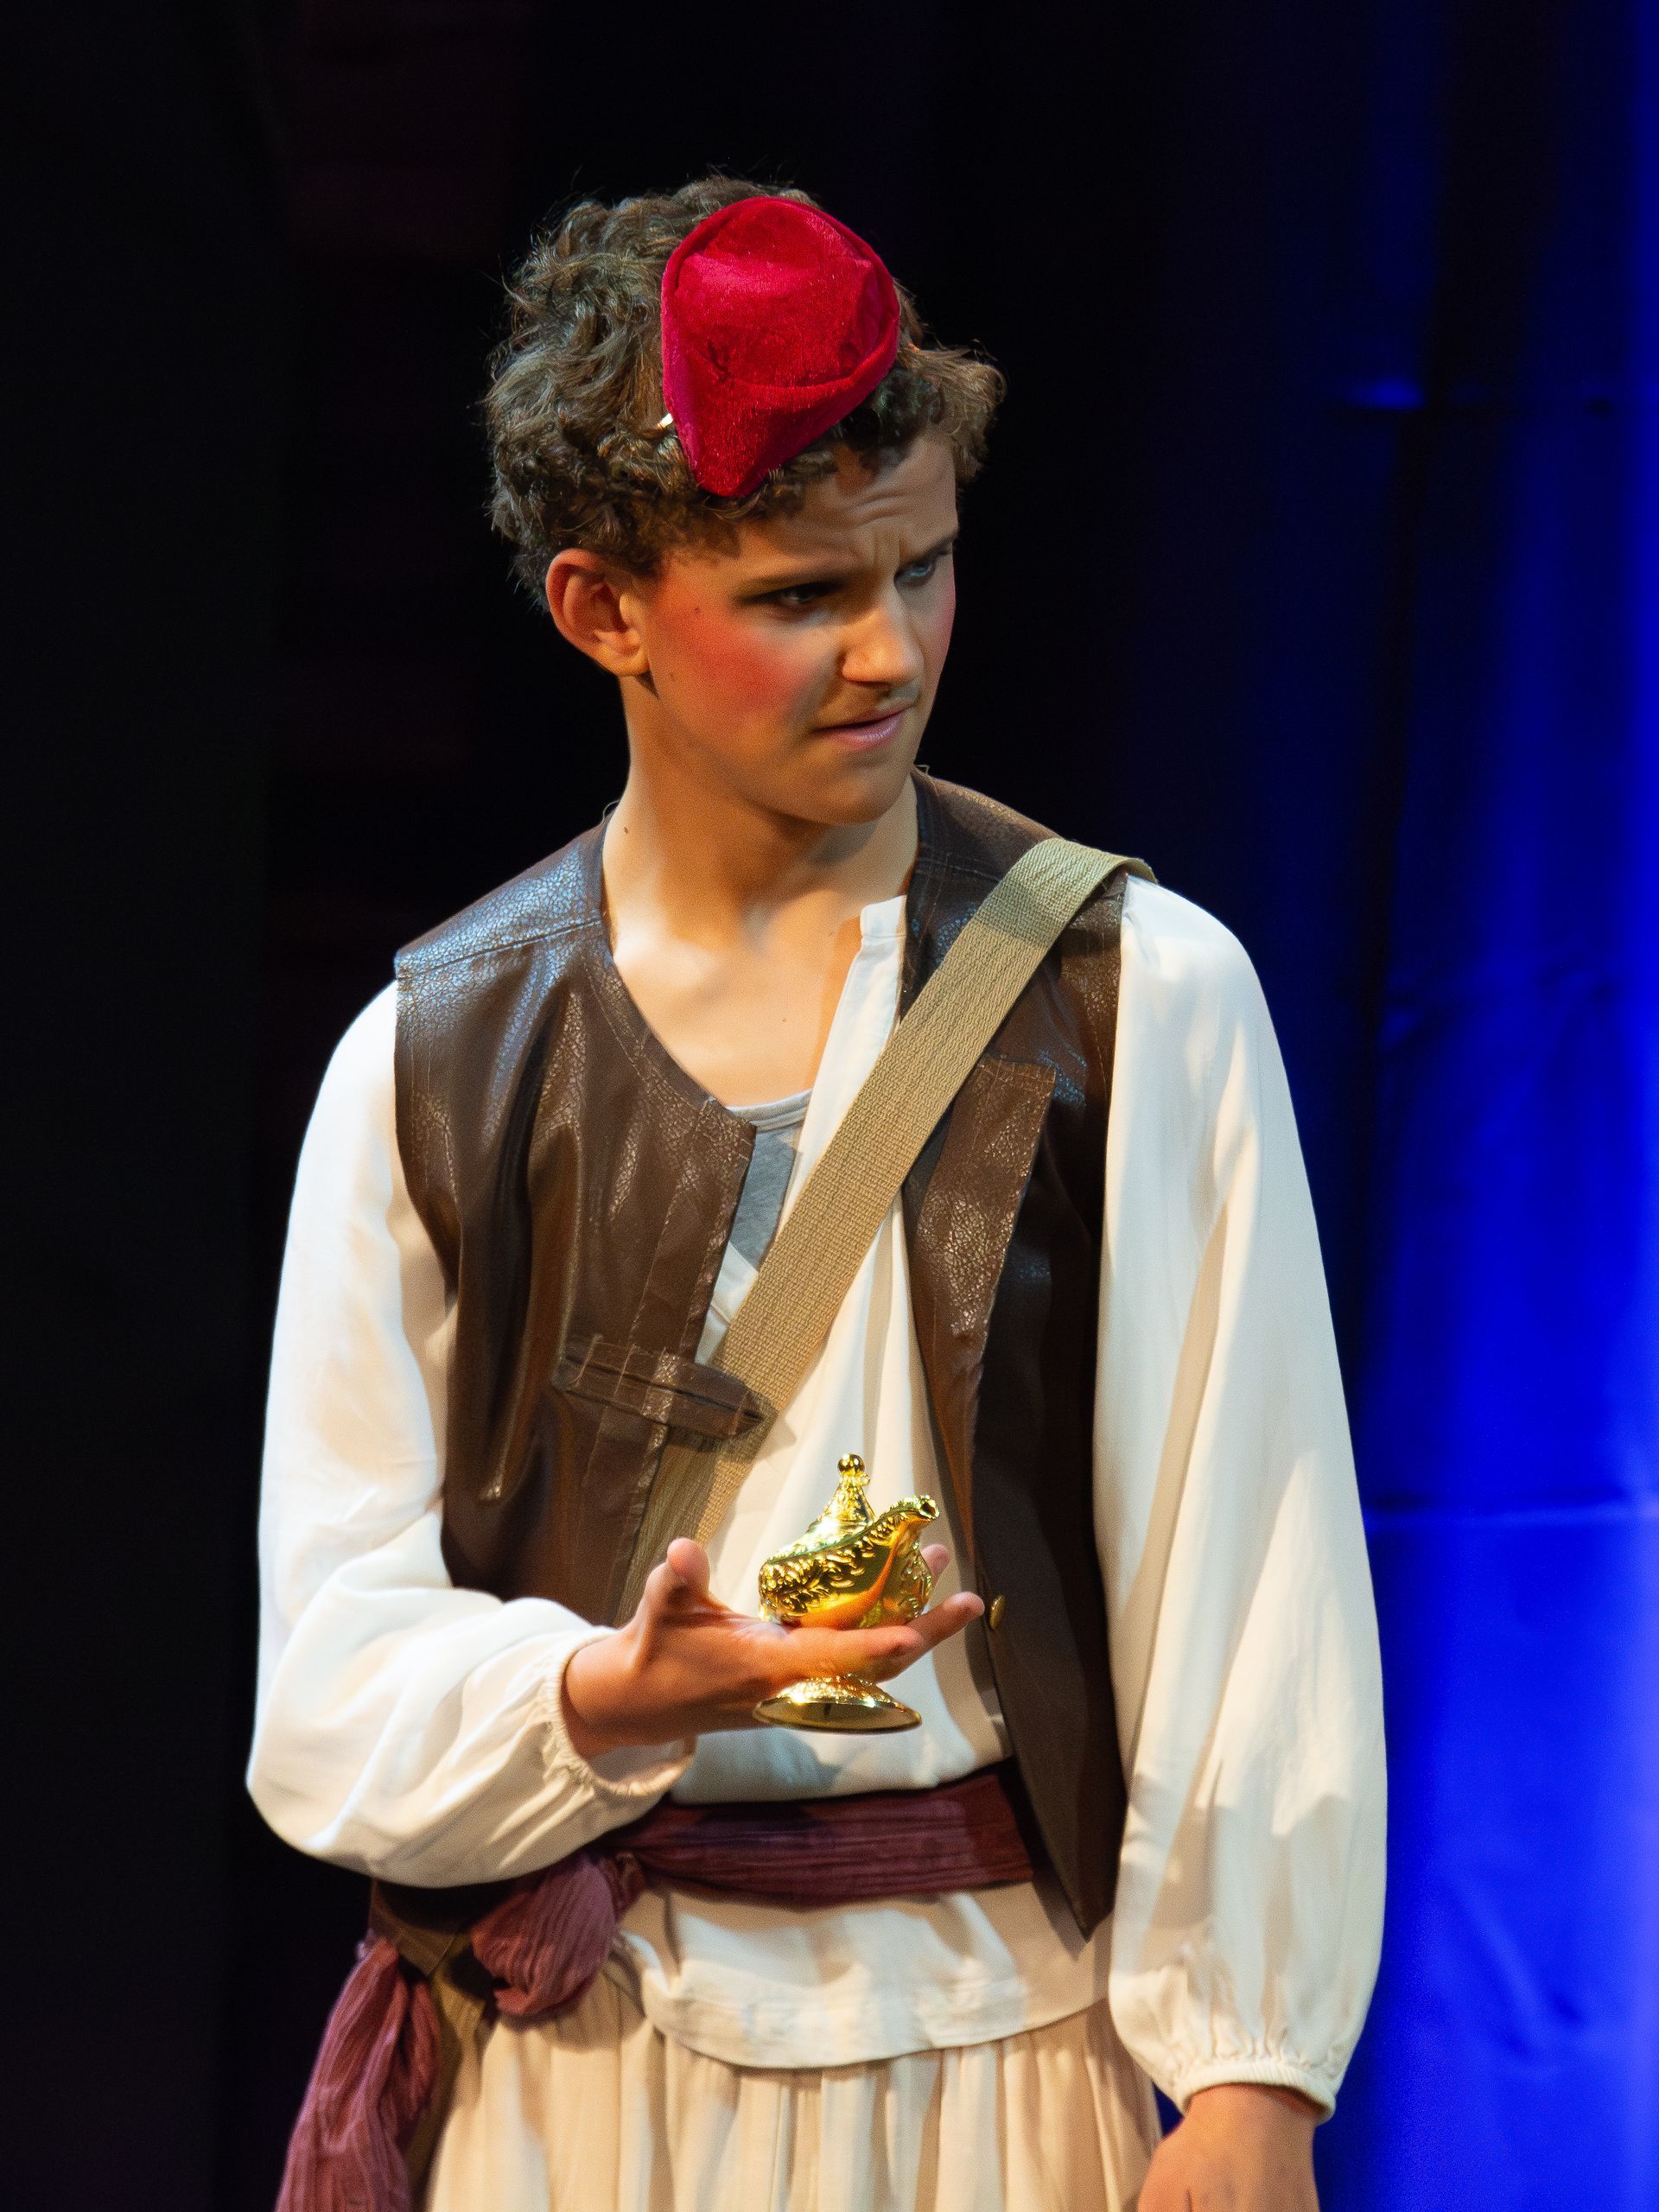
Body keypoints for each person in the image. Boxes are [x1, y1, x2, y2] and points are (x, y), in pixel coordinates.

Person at [251, 179, 1386, 2212]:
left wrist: (1250, 2078)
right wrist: (597, 1690)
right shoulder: (433, 1059)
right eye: (798, 595)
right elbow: (325, 1679)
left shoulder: (1133, 997)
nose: (890, 649)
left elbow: (1252, 1568)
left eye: (923, 566)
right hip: (581, 2076)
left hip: (993, 2051)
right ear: (601, 609)